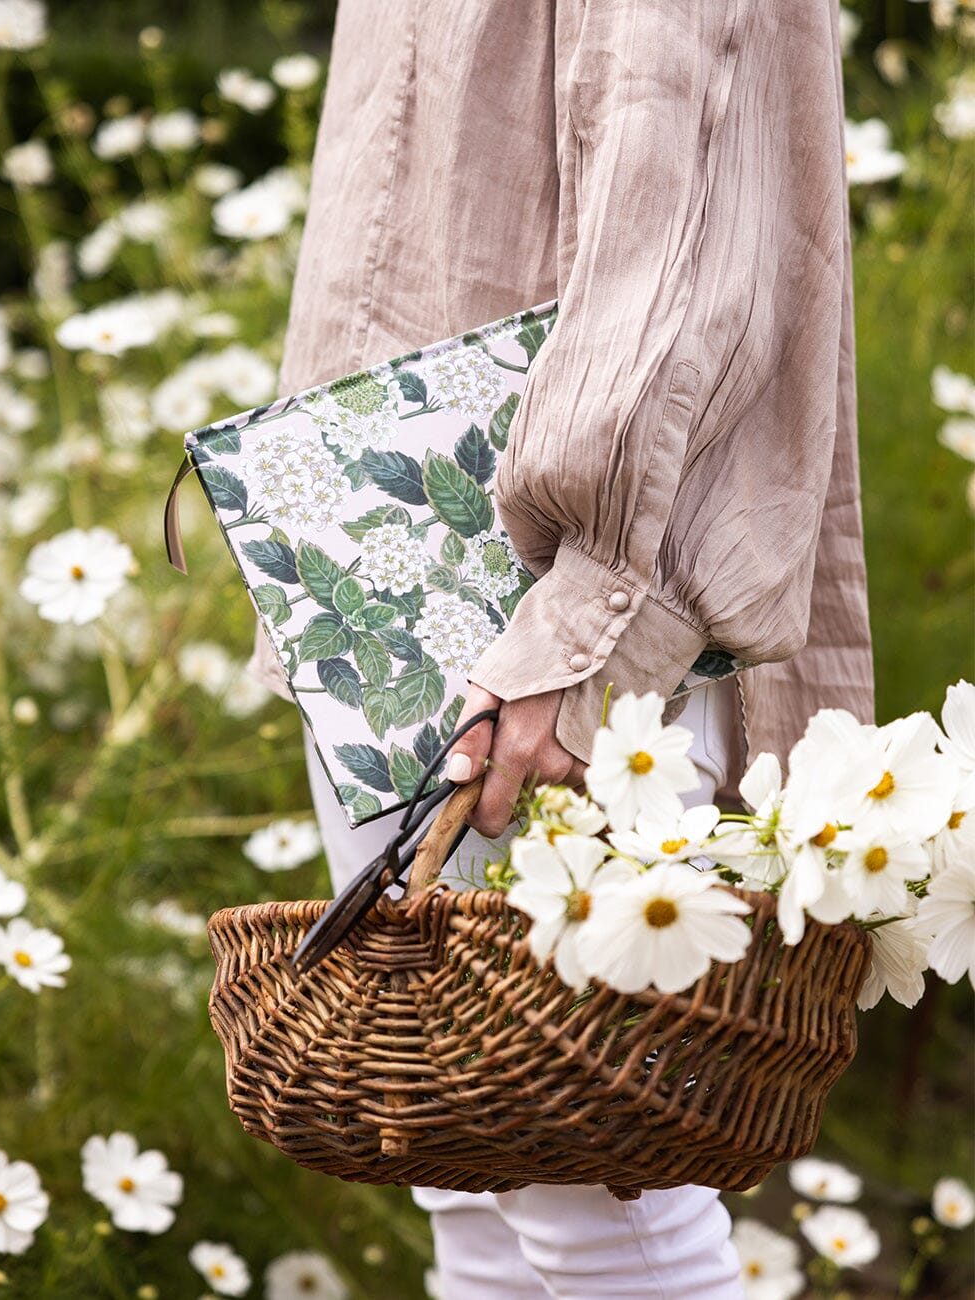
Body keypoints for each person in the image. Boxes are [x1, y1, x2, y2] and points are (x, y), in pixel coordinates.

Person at [247, 2, 874, 1294]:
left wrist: (574, 631)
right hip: (387, 575)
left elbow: (681, 227)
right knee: (477, 1175)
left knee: (603, 1199)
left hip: (547, 616)